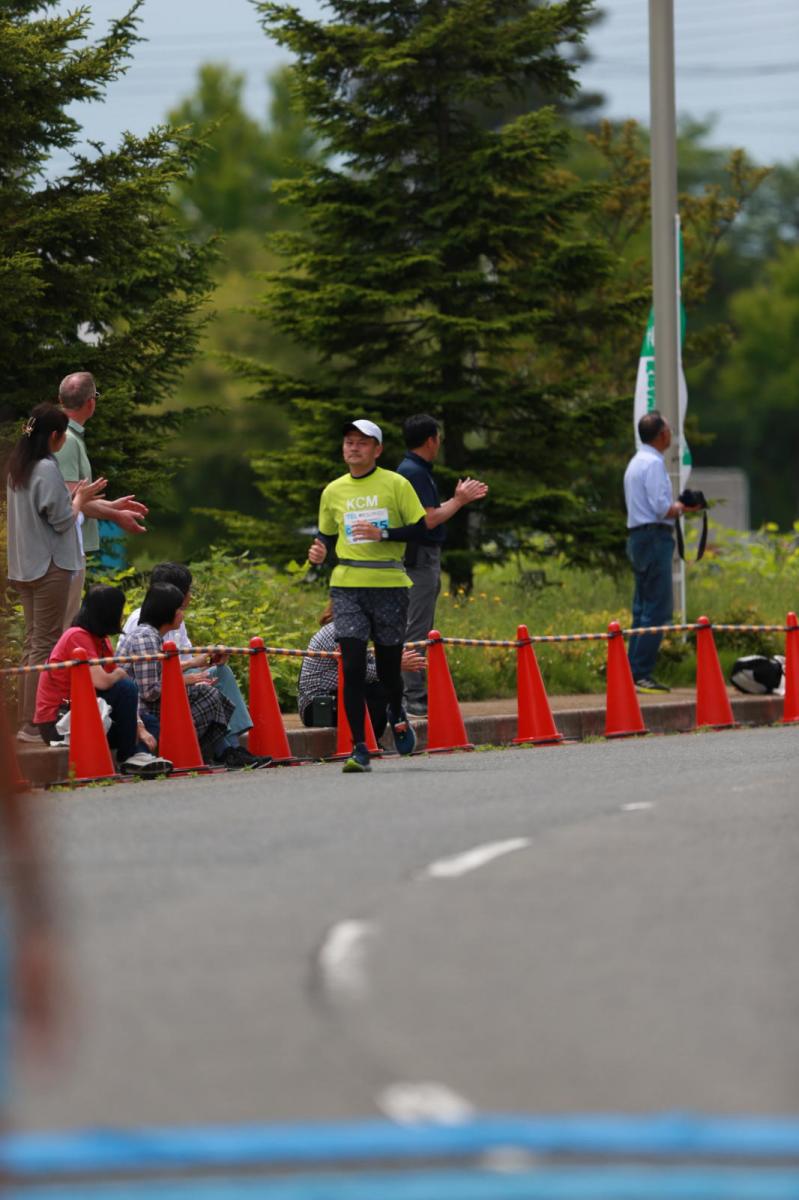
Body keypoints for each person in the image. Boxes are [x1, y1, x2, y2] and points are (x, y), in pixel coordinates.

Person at [308, 418, 428, 773]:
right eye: (348, 441)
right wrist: (318, 551)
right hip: (346, 585)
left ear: (377, 449)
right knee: (354, 664)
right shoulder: (333, 491)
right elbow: (326, 536)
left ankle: (396, 709)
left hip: (389, 586)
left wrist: (384, 535)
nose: (353, 447)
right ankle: (359, 747)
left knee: (390, 671)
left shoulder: (396, 483)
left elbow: (421, 529)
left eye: (362, 442)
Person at [6, 404, 106, 741]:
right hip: (50, 565)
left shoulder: (17, 466)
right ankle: (38, 722)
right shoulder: (47, 468)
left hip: (24, 564)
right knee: (47, 640)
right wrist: (79, 498)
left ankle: (26, 719)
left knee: (33, 640)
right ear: (54, 436)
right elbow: (62, 520)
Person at [118, 563, 270, 770]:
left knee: (216, 679)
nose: (187, 602)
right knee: (208, 694)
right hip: (144, 706)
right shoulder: (145, 633)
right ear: (168, 603)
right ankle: (226, 750)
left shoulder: (157, 629)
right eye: (180, 606)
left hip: (161, 690)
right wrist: (188, 679)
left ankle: (229, 749)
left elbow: (180, 662)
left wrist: (203, 662)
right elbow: (149, 690)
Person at [396, 414, 488, 715]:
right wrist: (459, 499)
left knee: (419, 626)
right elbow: (428, 518)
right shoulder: (414, 472)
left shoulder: (412, 469)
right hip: (419, 558)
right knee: (417, 628)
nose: (439, 444)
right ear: (430, 440)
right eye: (438, 438)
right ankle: (414, 698)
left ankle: (415, 694)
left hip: (419, 557)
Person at [33, 586, 173, 777]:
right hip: (58, 723)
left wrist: (139, 726)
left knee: (148, 722)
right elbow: (103, 682)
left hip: (88, 714)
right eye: (119, 610)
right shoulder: (76, 636)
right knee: (125, 688)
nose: (121, 615)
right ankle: (129, 756)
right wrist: (120, 673)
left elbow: (110, 679)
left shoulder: (102, 640)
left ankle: (138, 758)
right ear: (108, 612)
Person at [55, 372, 149, 628]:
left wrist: (113, 506)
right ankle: (51, 671)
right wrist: (115, 514)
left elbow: (75, 497)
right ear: (91, 403)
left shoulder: (65, 436)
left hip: (63, 551)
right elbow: (69, 498)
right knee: (59, 629)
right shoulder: (66, 440)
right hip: (63, 551)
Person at [623, 410, 699, 693]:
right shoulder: (653, 464)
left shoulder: (635, 462)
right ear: (662, 435)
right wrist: (683, 507)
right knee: (658, 608)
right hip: (654, 536)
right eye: (668, 430)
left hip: (638, 537)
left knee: (642, 607)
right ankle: (641, 673)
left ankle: (630, 672)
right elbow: (660, 508)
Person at [297, 601, 426, 735]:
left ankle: (378, 736)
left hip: (329, 702)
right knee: (379, 689)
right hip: (318, 710)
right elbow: (356, 670)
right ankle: (374, 737)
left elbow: (366, 664)